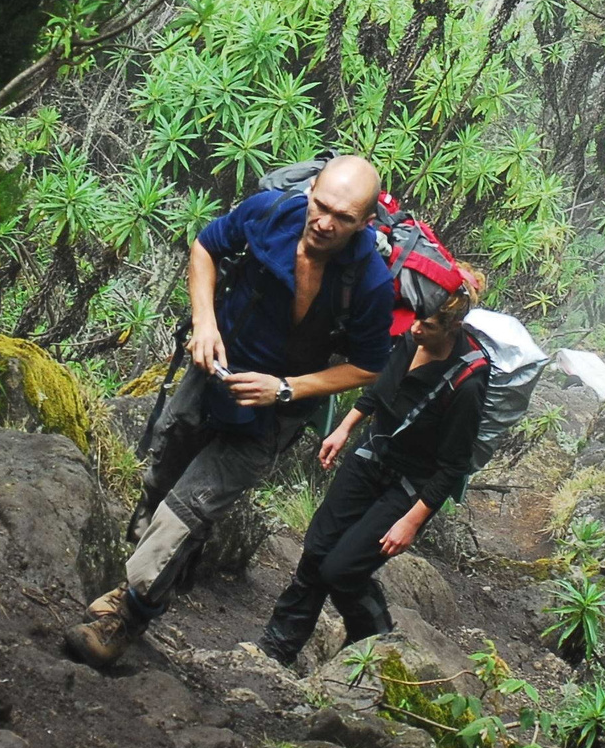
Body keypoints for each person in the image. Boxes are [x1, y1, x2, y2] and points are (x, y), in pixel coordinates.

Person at [64, 154, 396, 670]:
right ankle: (155, 573)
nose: (325, 223)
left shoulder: (369, 283)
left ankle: (123, 620)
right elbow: (206, 246)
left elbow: (370, 366)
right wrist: (205, 323)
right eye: (322, 206)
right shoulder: (270, 212)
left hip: (272, 413)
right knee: (161, 482)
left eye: (344, 217)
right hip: (212, 375)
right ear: (311, 191)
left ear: (365, 222)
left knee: (187, 507)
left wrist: (285, 389)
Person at [253, 268, 492, 667]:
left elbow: (453, 467)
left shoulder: (467, 382)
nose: (416, 328)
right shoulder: (408, 339)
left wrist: (410, 523)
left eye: (428, 325)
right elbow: (381, 389)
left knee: (342, 570)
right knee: (316, 550)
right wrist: (344, 428)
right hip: (372, 455)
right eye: (417, 318)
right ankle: (277, 647)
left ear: (453, 326)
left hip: (410, 485)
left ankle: (375, 646)